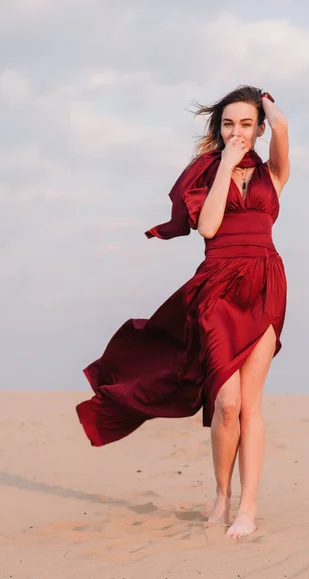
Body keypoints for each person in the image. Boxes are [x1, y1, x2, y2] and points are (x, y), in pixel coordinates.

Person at [76, 84, 290, 540]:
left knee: (250, 405)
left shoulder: (274, 173)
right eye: (228, 124)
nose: (236, 132)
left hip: (266, 284)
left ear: (260, 127)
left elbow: (285, 126)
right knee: (226, 404)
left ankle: (247, 508)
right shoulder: (205, 174)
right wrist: (226, 166)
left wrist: (265, 101)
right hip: (217, 288)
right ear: (219, 129)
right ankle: (222, 496)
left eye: (246, 124)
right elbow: (209, 226)